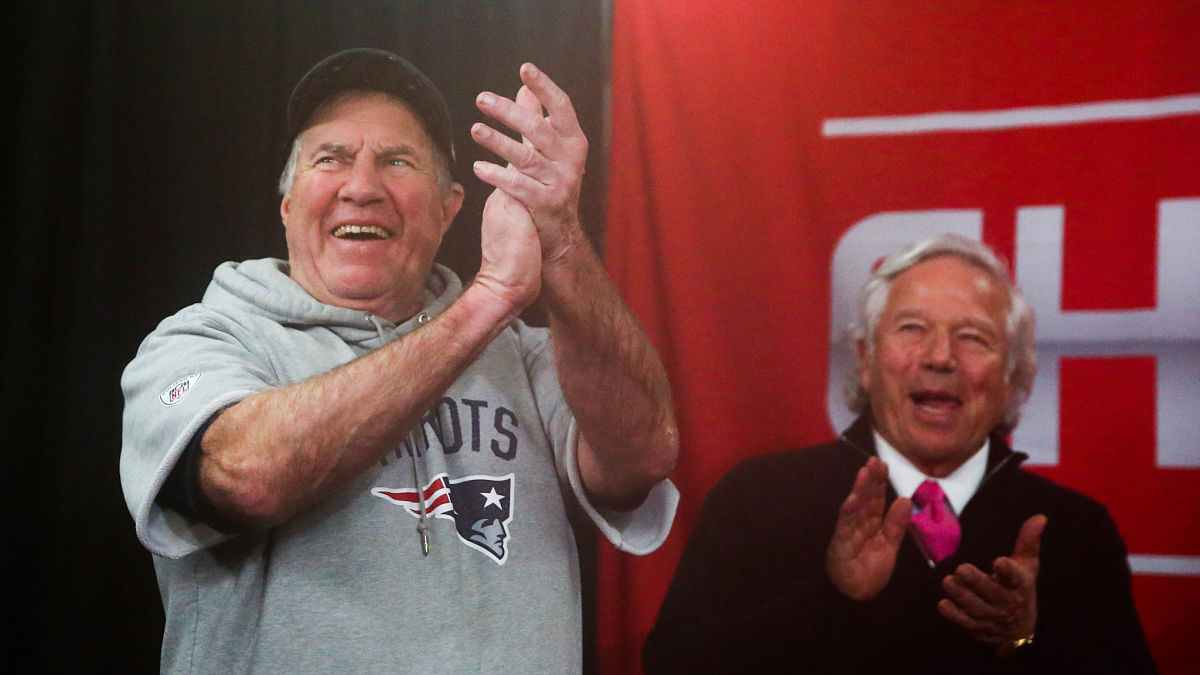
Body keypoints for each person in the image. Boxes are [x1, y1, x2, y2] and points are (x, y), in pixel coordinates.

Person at [120, 48, 679, 673]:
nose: (362, 188)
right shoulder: (203, 340)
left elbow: (643, 456)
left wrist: (562, 236)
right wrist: (489, 300)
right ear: (287, 203)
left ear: (449, 207)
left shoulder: (522, 357)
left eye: (396, 161)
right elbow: (245, 478)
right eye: (330, 158)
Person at [643, 234, 1155, 673]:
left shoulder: (1075, 530)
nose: (940, 357)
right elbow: (673, 664)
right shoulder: (760, 497)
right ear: (865, 359)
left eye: (973, 337)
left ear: (1012, 377)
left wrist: (1027, 637)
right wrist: (829, 598)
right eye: (912, 328)